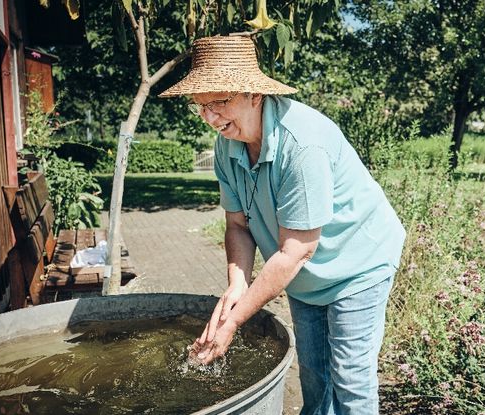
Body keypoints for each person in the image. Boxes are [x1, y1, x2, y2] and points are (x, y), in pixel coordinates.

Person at [159, 34, 406, 414]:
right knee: (314, 374)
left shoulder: (303, 145)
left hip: (358, 265)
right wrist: (236, 284)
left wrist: (234, 320)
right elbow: (238, 226)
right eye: (201, 106)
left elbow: (295, 252)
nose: (210, 118)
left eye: (220, 102)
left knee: (350, 380)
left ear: (254, 95)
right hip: (306, 276)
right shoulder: (228, 142)